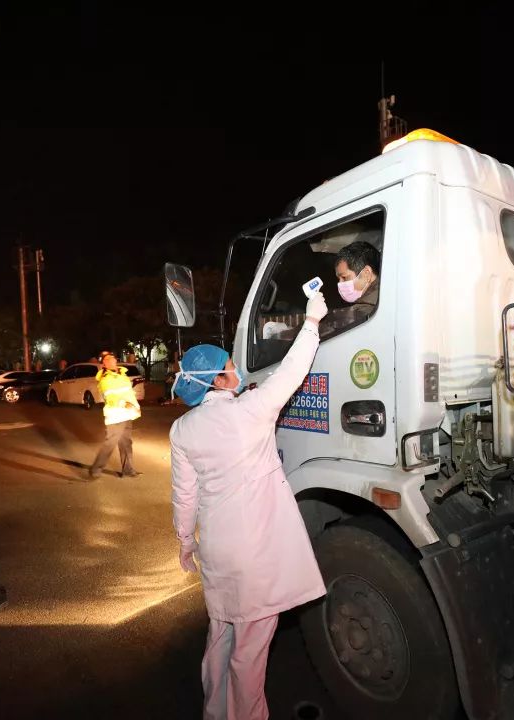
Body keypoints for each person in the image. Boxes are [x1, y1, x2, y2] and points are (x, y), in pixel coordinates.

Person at [169, 291, 329, 720]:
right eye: (229, 367)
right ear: (218, 382)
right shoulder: (251, 412)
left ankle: (214, 711)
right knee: (250, 654)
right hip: (256, 555)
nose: (236, 369)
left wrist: (186, 542)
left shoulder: (182, 429)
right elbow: (292, 373)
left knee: (220, 634)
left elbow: (185, 495)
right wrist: (312, 321)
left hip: (217, 552)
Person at [88, 351, 141, 479]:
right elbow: (109, 396)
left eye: (113, 358)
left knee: (126, 442)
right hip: (116, 414)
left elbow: (128, 393)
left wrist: (135, 407)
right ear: (104, 364)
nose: (112, 360)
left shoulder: (122, 375)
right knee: (110, 443)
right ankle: (96, 468)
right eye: (108, 359)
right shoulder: (105, 379)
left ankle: (128, 469)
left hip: (128, 413)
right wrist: (124, 403)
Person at [332, 239, 380, 326]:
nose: (339, 284)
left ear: (366, 273)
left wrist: (312, 320)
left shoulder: (363, 314)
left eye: (344, 277)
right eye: (338, 279)